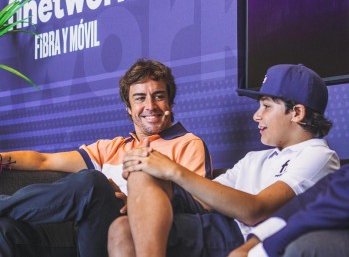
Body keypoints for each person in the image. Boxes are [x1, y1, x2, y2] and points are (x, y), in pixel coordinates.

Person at [108, 63, 340, 257]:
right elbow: (206, 200)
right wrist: (143, 198)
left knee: (135, 210)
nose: (256, 115)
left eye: (266, 106)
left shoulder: (319, 155)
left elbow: (256, 211)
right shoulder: (255, 158)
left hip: (243, 236)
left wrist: (172, 170)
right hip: (216, 223)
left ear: (297, 113)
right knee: (128, 208)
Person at [0, 58, 212, 257]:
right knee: (5, 230)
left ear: (170, 104)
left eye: (158, 96)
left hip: (133, 240)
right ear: (129, 109)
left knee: (93, 182)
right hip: (85, 236)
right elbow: (42, 161)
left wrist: (142, 203)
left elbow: (199, 207)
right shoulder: (112, 147)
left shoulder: (187, 143)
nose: (150, 106)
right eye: (140, 98)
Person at [228, 164, 349, 257]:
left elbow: (337, 201)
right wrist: (255, 242)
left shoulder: (316, 155)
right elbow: (311, 197)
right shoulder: (252, 157)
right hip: (243, 231)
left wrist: (264, 250)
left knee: (302, 247)